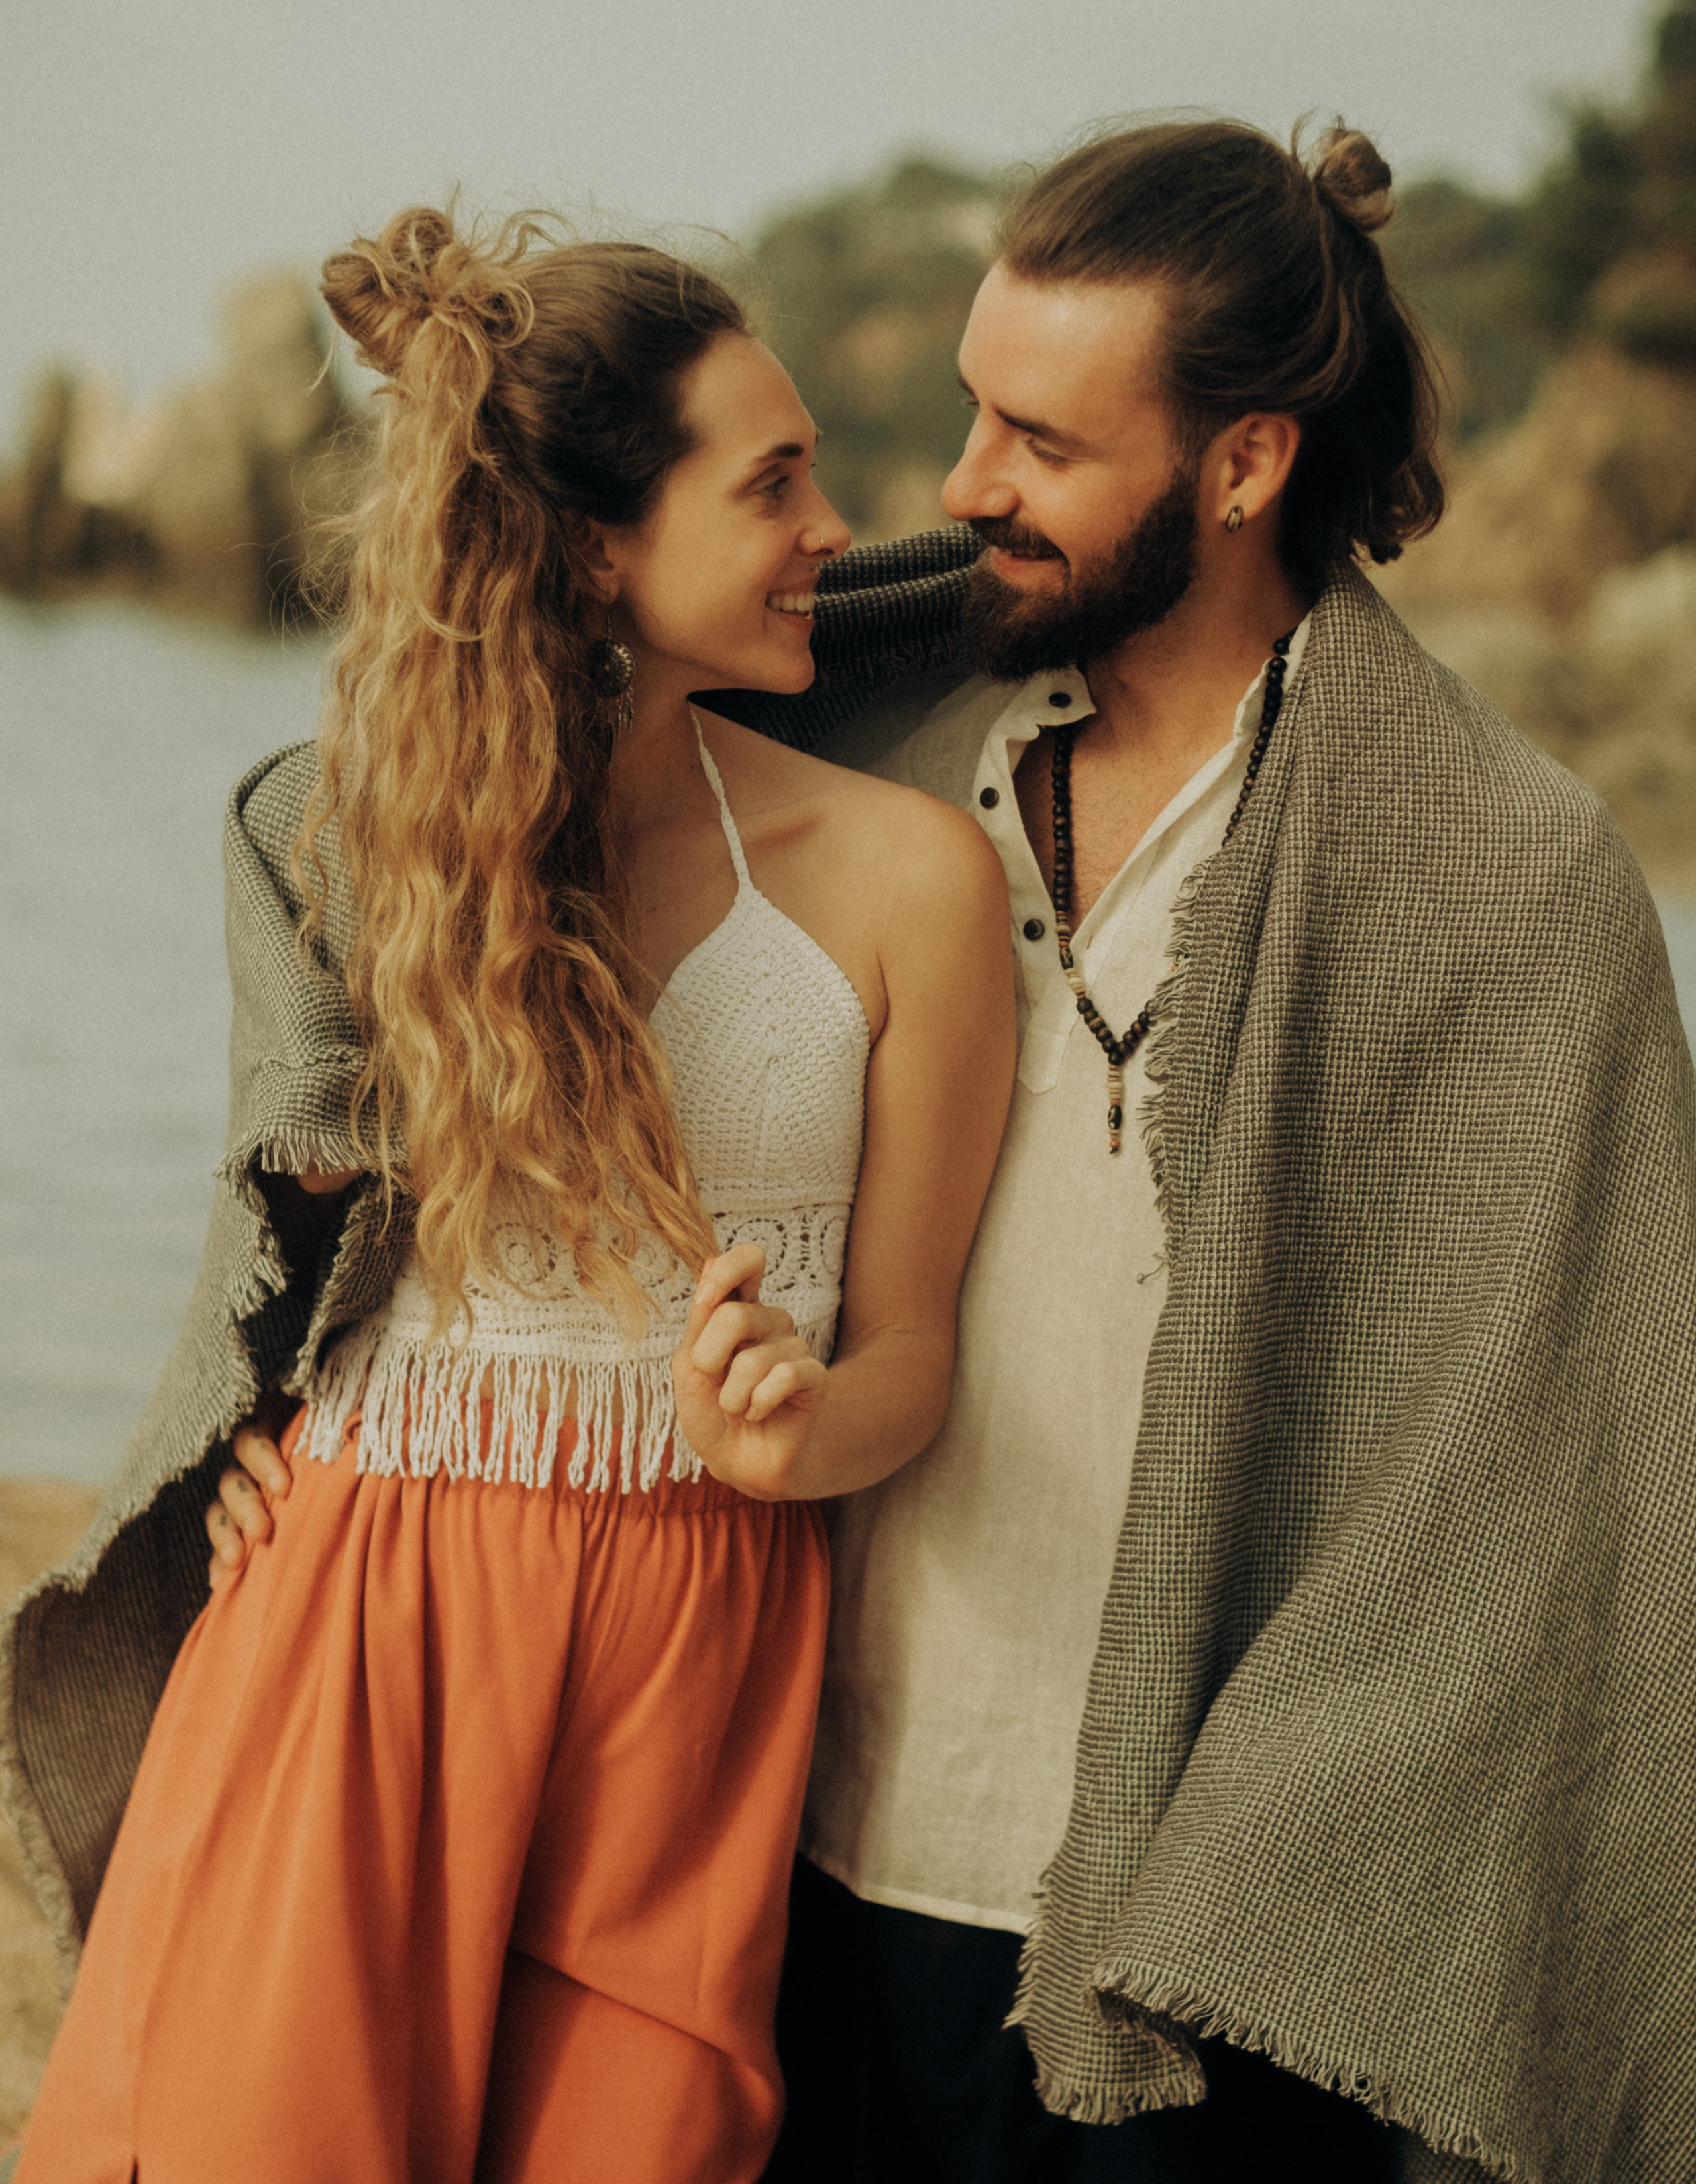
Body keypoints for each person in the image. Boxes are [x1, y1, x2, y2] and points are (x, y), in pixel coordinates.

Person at [9, 117, 1695, 2181]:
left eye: (1040, 440)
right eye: (969, 409)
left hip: (1184, 1903)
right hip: (808, 1814)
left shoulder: (1492, 883)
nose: (960, 485)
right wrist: (258, 1418)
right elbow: (392, 928)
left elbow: (1555, 1479)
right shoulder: (901, 713)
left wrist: (1294, 1842)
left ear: (1244, 465)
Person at [6, 207, 1014, 2183]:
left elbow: (909, 1352)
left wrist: (802, 1437)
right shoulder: (354, 859)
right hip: (356, 1600)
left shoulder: (913, 881)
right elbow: (276, 1280)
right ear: (590, 549)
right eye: (774, 481)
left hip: (693, 1654)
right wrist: (247, 1445)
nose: (830, 525)